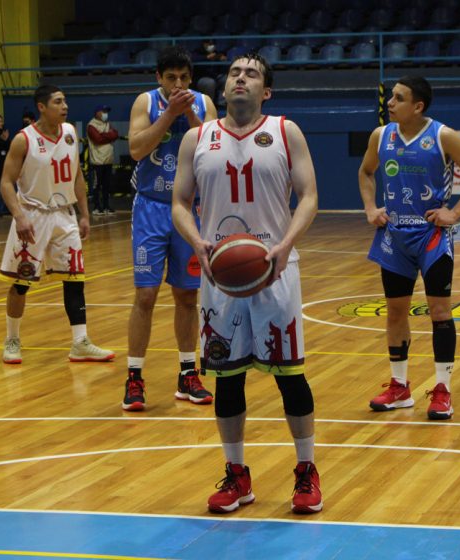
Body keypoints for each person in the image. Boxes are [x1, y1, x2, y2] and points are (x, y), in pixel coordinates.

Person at [172, 53, 322, 514]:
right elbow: (179, 202)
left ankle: (306, 471)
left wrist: (285, 245)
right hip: (220, 273)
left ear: (266, 91)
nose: (240, 78)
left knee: (290, 378)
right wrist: (197, 243)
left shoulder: (284, 131)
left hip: (276, 270)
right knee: (227, 379)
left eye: (251, 73)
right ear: (223, 89)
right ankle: (237, 475)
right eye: (235, 73)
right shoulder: (198, 138)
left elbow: (310, 196)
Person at [358, 76, 460, 420]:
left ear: (418, 106)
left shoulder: (442, 135)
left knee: (440, 313)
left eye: (399, 98)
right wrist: (371, 209)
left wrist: (456, 212)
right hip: (395, 237)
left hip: (431, 236)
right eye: (391, 98)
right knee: (396, 313)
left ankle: (443, 389)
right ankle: (400, 387)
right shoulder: (381, 136)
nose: (390, 103)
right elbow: (366, 172)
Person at [122, 45, 218, 411]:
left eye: (183, 77)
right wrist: (167, 117)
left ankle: (187, 373)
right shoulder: (144, 103)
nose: (178, 83)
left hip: (190, 210)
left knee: (187, 296)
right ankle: (134, 378)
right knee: (145, 296)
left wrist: (188, 114)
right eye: (170, 77)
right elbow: (135, 149)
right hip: (151, 206)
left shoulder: (204, 102)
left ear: (190, 77)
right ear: (159, 79)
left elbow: (214, 145)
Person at [0, 85, 114, 365]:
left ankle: (80, 342)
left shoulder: (72, 133)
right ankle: (12, 339)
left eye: (65, 102)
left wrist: (84, 214)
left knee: (75, 279)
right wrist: (19, 215)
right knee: (21, 281)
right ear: (41, 106)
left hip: (64, 214)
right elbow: (5, 183)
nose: (65, 106)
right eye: (58, 102)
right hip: (33, 214)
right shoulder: (23, 140)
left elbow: (77, 177)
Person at [86, 104, 119, 216]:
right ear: (97, 113)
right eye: (103, 111)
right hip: (97, 161)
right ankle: (96, 207)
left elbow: (115, 134)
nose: (105, 113)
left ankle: (106, 206)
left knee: (106, 185)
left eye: (106, 111)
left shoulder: (108, 124)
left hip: (108, 160)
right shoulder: (91, 125)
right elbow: (97, 139)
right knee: (97, 185)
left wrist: (105, 135)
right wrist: (108, 135)